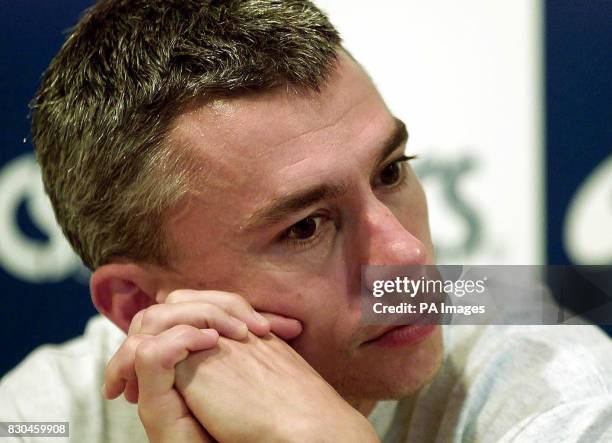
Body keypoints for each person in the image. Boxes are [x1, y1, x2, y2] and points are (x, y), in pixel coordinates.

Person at [1, 0, 611, 442]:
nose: (406, 257)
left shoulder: (556, 387)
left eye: (391, 172)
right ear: (135, 304)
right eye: (305, 227)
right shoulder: (47, 417)